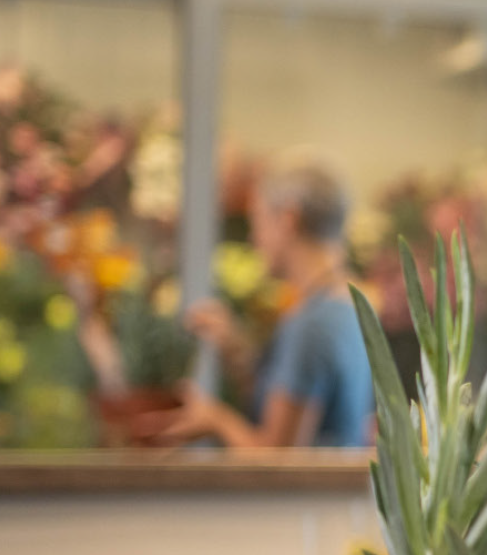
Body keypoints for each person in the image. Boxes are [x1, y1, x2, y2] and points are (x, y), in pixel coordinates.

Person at [138, 164, 374, 448]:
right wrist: (239, 354)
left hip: (305, 495)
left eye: (258, 220)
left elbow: (278, 461)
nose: (253, 238)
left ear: (288, 219)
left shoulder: (312, 324)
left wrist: (215, 419)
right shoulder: (348, 306)